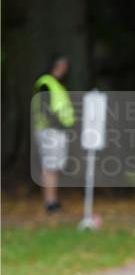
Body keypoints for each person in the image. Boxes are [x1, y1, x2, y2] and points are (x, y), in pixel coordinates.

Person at [32, 54, 75, 212]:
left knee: (55, 166)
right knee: (49, 165)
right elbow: (44, 106)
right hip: (49, 129)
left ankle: (53, 200)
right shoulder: (45, 82)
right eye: (61, 64)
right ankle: (49, 202)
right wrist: (57, 122)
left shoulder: (59, 85)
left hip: (59, 130)